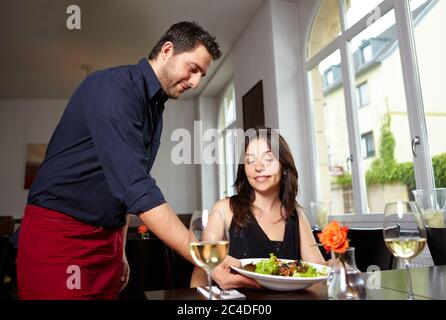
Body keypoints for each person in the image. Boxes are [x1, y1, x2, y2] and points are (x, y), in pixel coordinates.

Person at [17, 21, 257, 300]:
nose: (195, 82)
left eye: (202, 75)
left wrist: (119, 249)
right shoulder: (111, 87)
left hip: (107, 242)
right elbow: (136, 185)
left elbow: (123, 192)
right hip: (59, 237)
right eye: (193, 69)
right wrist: (204, 258)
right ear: (167, 50)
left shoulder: (155, 112)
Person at [191, 127, 326, 287]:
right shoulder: (225, 209)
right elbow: (201, 271)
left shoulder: (297, 217)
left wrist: (337, 266)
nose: (258, 167)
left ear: (284, 168)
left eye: (268, 159)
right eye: (250, 160)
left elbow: (319, 273)